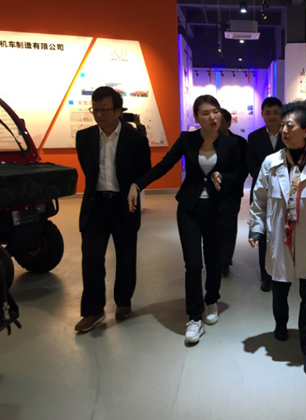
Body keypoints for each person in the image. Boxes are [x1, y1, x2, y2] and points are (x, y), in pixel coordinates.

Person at [127, 95, 239, 344]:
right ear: (196, 117)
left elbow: (237, 175)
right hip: (189, 209)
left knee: (213, 260)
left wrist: (223, 177)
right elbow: (164, 165)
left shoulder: (230, 144)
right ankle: (195, 317)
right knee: (193, 264)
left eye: (216, 111)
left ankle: (212, 300)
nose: (212, 117)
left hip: (217, 210)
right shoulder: (187, 139)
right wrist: (138, 184)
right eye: (205, 113)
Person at [248, 100, 306, 376]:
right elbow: (259, 198)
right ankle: (281, 324)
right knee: (279, 290)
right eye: (283, 125)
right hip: (280, 239)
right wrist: (256, 227)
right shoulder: (271, 162)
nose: (284, 130)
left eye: (290, 125)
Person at [75, 86, 151, 333]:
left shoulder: (136, 139)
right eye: (95, 110)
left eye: (105, 110)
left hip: (123, 205)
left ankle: (123, 301)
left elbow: (145, 171)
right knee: (91, 259)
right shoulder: (84, 137)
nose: (99, 115)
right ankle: (93, 310)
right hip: (96, 205)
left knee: (126, 257)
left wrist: (135, 187)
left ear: (118, 111)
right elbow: (88, 170)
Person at [247, 97, 284, 292]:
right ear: (262, 114)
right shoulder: (254, 137)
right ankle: (266, 275)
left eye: (276, 113)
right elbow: (251, 163)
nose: (272, 117)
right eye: (268, 113)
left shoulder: (289, 134)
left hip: (285, 191)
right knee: (263, 234)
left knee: (284, 231)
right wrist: (265, 180)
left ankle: (282, 272)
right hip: (261, 191)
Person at [218, 109, 249, 277]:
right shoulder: (207, 141)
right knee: (213, 225)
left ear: (229, 123)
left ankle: (224, 260)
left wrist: (235, 181)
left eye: (221, 121)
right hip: (212, 192)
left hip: (233, 190)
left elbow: (244, 167)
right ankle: (215, 257)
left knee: (229, 225)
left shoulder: (240, 142)